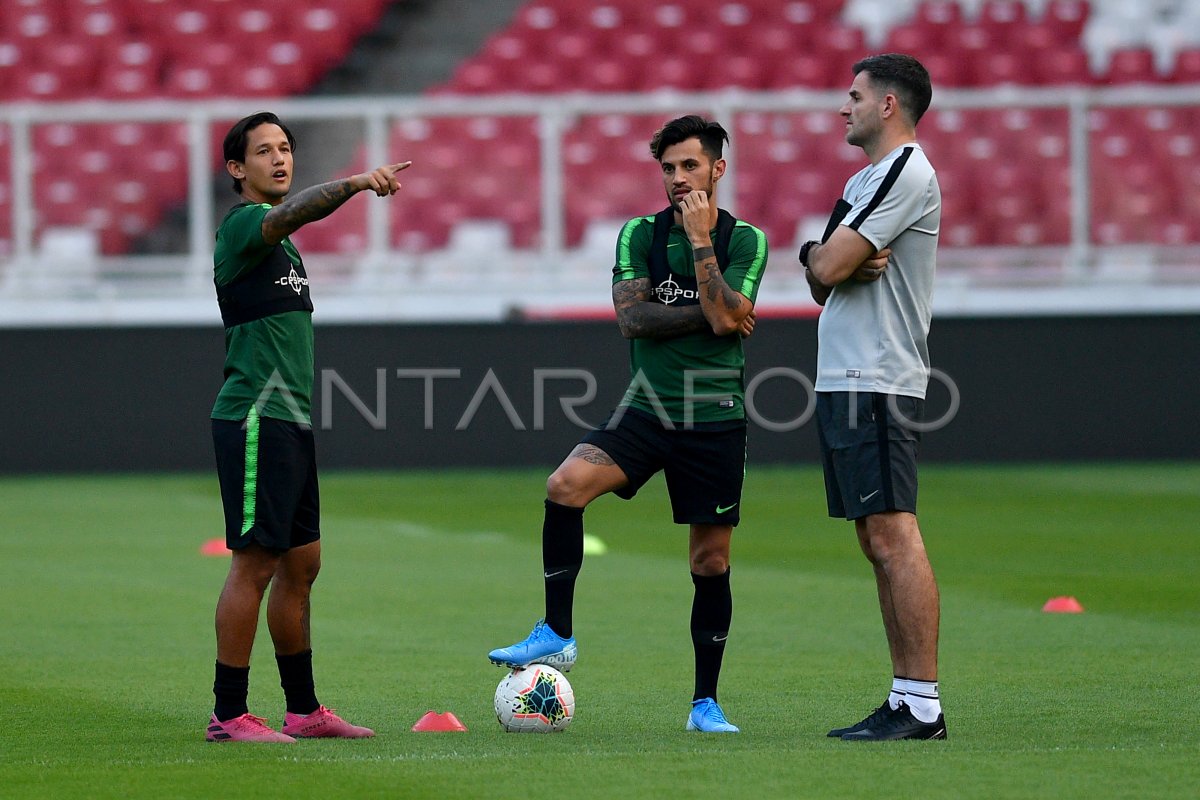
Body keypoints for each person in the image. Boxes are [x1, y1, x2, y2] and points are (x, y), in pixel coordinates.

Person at [488, 115, 767, 733]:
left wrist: (701, 248)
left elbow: (723, 320)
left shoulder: (746, 239)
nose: (677, 179)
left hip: (716, 417)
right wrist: (714, 313)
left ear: (718, 168)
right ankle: (557, 631)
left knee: (710, 562)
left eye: (690, 166)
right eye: (668, 168)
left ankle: (704, 704)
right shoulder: (638, 234)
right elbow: (634, 320)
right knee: (564, 486)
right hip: (647, 407)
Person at [206, 111, 410, 743]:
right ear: (238, 169)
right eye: (264, 151)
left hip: (291, 420)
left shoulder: (281, 247)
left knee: (301, 567)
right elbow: (289, 213)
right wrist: (352, 184)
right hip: (256, 417)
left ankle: (303, 710)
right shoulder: (246, 226)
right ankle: (229, 714)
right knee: (255, 564)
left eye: (286, 148)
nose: (280, 157)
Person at [799, 54, 946, 741]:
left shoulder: (906, 169)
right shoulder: (865, 176)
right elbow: (820, 276)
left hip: (877, 375)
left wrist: (830, 256)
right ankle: (902, 696)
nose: (842, 106)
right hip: (846, 375)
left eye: (853, 95)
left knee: (894, 534)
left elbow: (829, 264)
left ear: (888, 104)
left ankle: (922, 704)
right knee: (873, 538)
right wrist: (826, 255)